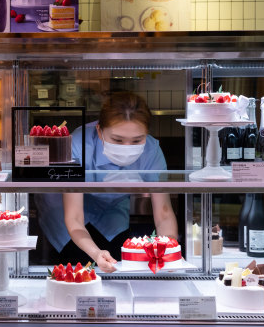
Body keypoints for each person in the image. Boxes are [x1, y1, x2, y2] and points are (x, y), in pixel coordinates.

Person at [34, 92, 177, 272]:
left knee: (117, 264)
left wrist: (168, 251)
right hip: (67, 212)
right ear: (99, 131)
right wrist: (95, 253)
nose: (127, 148)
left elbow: (164, 213)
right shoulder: (77, 145)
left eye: (137, 140)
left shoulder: (151, 151)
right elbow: (74, 217)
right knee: (77, 266)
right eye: (117, 140)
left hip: (112, 210)